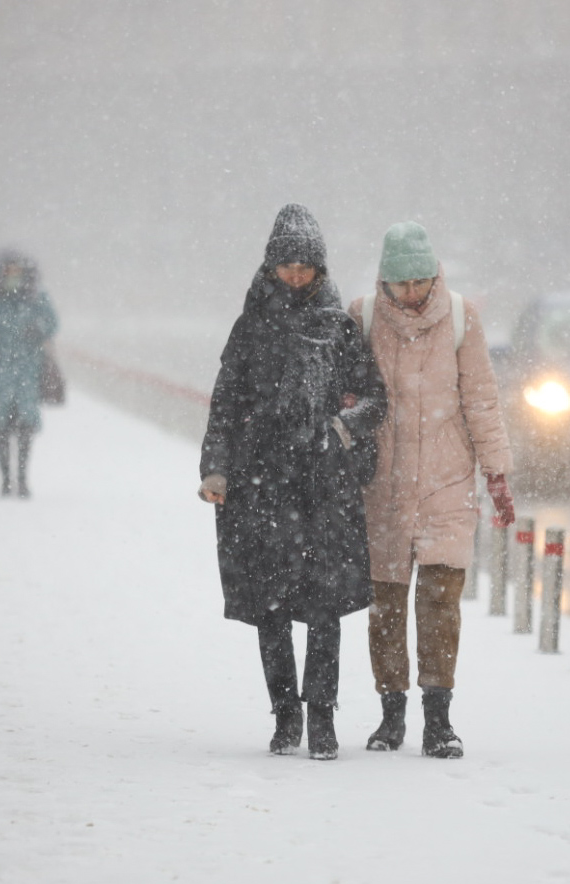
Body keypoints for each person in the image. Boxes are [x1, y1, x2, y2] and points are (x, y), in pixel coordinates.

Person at [199, 204, 387, 760]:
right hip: (261, 488)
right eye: (288, 265)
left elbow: (374, 398)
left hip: (323, 487)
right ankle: (285, 715)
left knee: (324, 607)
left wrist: (340, 427)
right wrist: (216, 467)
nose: (298, 274)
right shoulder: (250, 327)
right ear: (271, 266)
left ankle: (322, 717)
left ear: (321, 269)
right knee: (272, 607)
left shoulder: (339, 327)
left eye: (307, 265)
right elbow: (226, 403)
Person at [350, 222, 515, 759]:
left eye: (421, 281)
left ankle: (438, 720)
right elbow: (349, 396)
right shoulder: (363, 317)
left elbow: (482, 400)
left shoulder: (462, 319)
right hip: (384, 485)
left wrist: (496, 473)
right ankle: (390, 714)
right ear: (385, 282)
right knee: (387, 605)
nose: (413, 293)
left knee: (441, 602)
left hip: (447, 483)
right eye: (403, 284)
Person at [0, 250, 59, 498]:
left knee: (26, 426)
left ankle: (23, 478)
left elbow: (52, 323)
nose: (13, 277)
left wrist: (38, 329)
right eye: (9, 272)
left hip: (28, 368)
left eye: (18, 272)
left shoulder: (37, 298)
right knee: (2, 426)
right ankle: (6, 478)